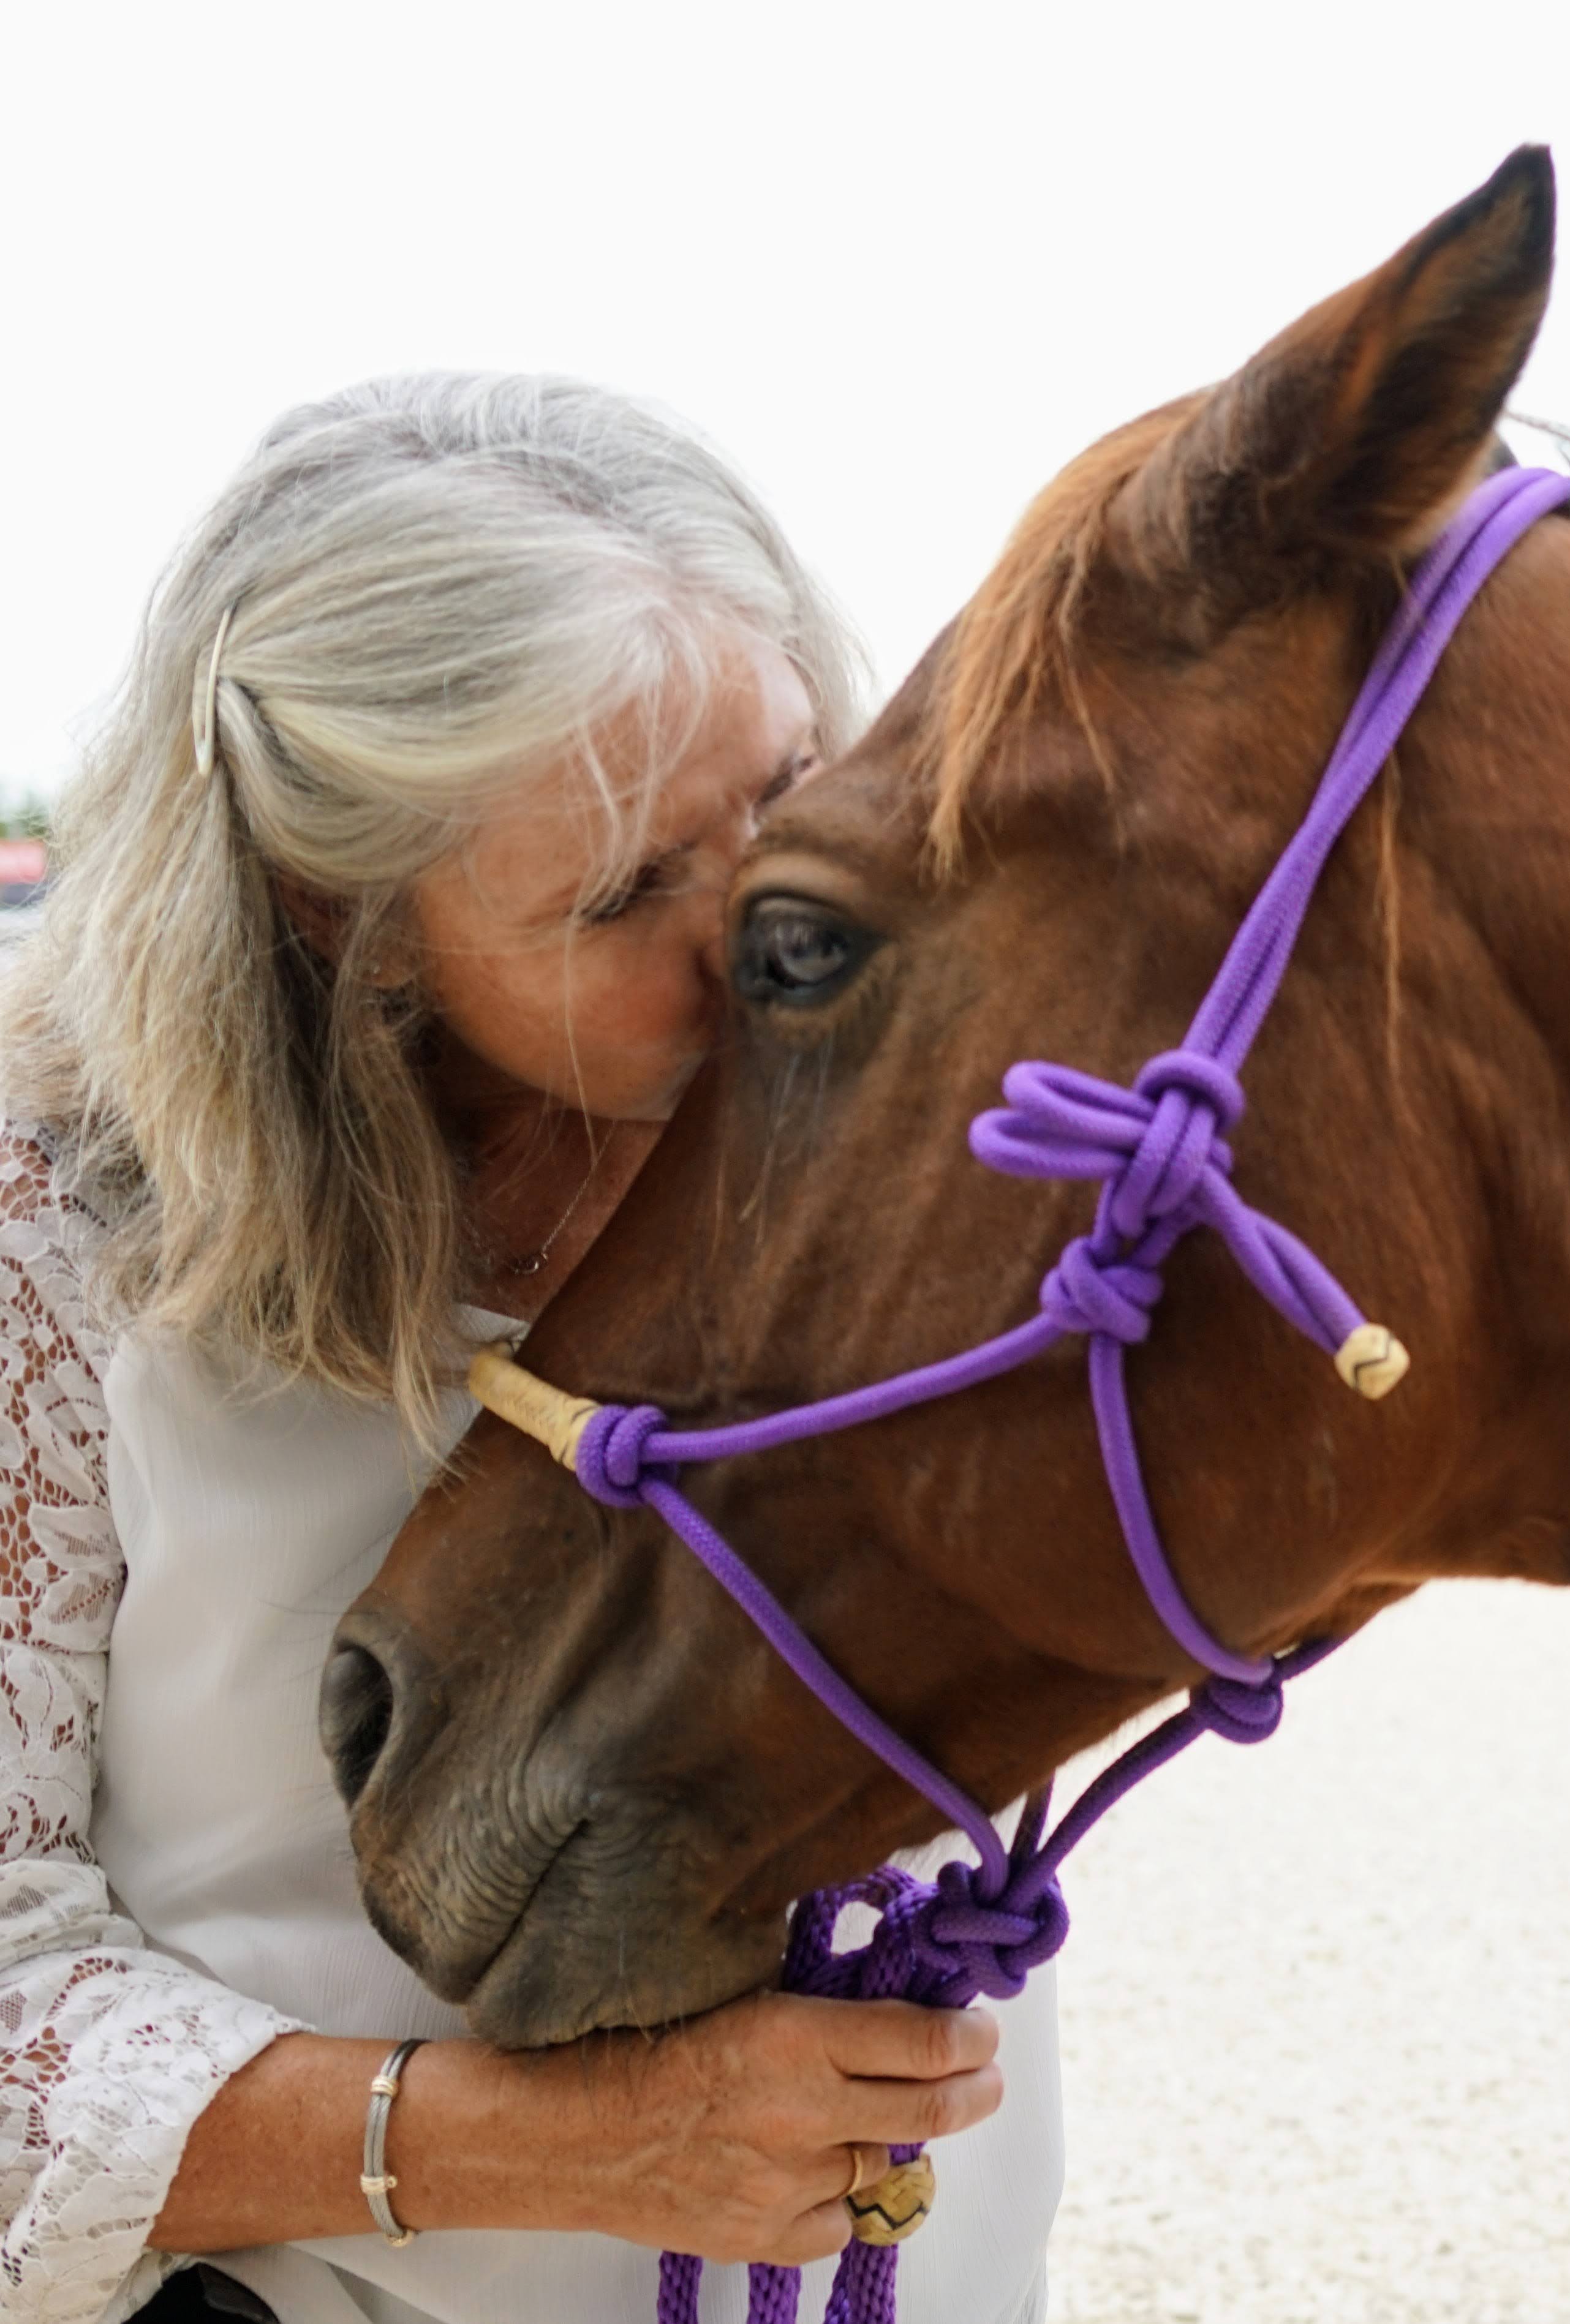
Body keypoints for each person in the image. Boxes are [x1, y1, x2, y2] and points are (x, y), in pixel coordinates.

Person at [0, 377, 1063, 2324]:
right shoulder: (50, 1233)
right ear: (354, 923)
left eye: (788, 788)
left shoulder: (915, 1141)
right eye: (625, 889)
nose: (761, 922)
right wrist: (564, 2141)